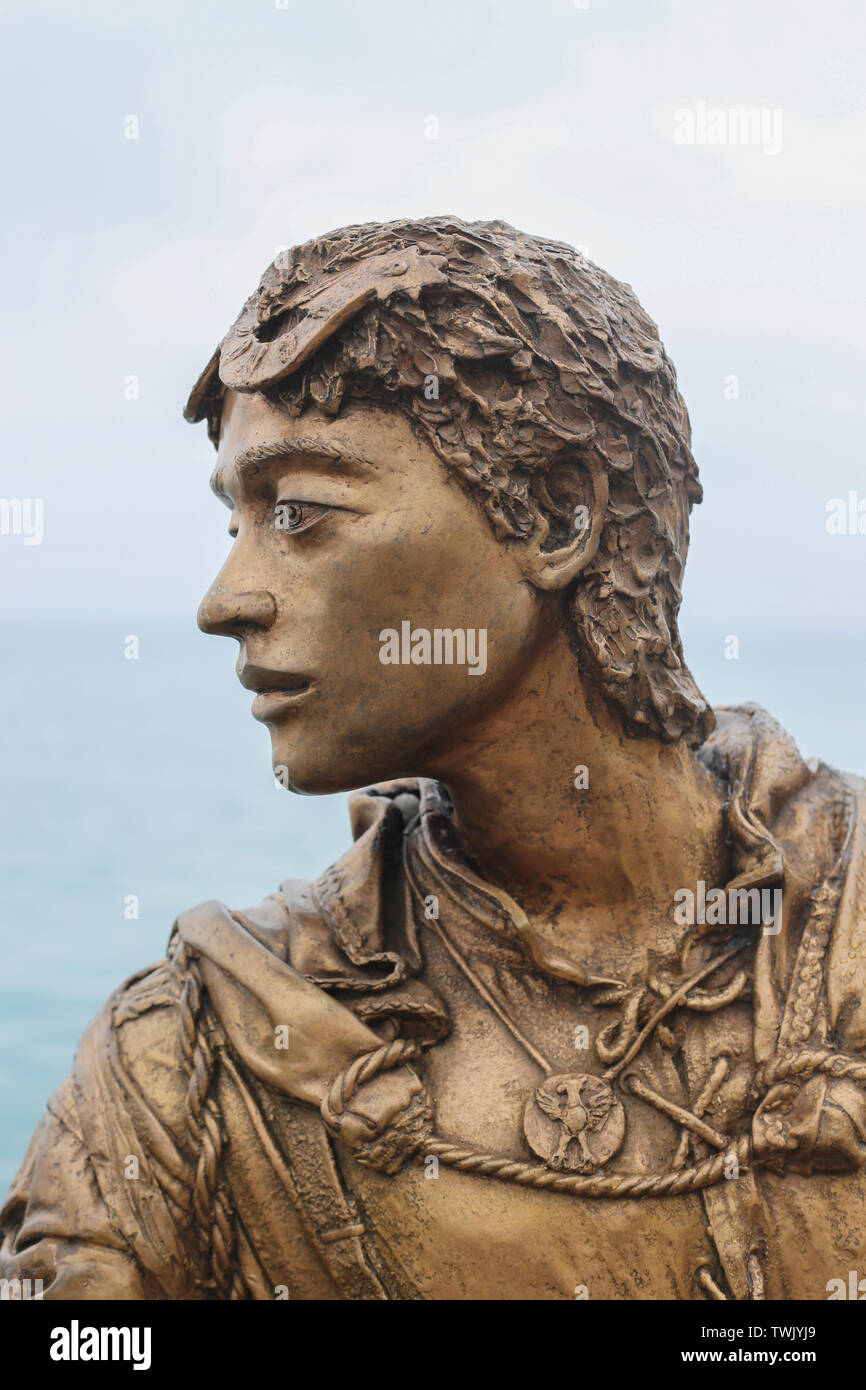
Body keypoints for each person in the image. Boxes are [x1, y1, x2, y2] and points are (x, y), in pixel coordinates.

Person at [3, 217, 865, 1300]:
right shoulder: (193, 1057)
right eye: (237, 522)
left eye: (302, 513)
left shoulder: (842, 934)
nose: (225, 601)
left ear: (557, 515)